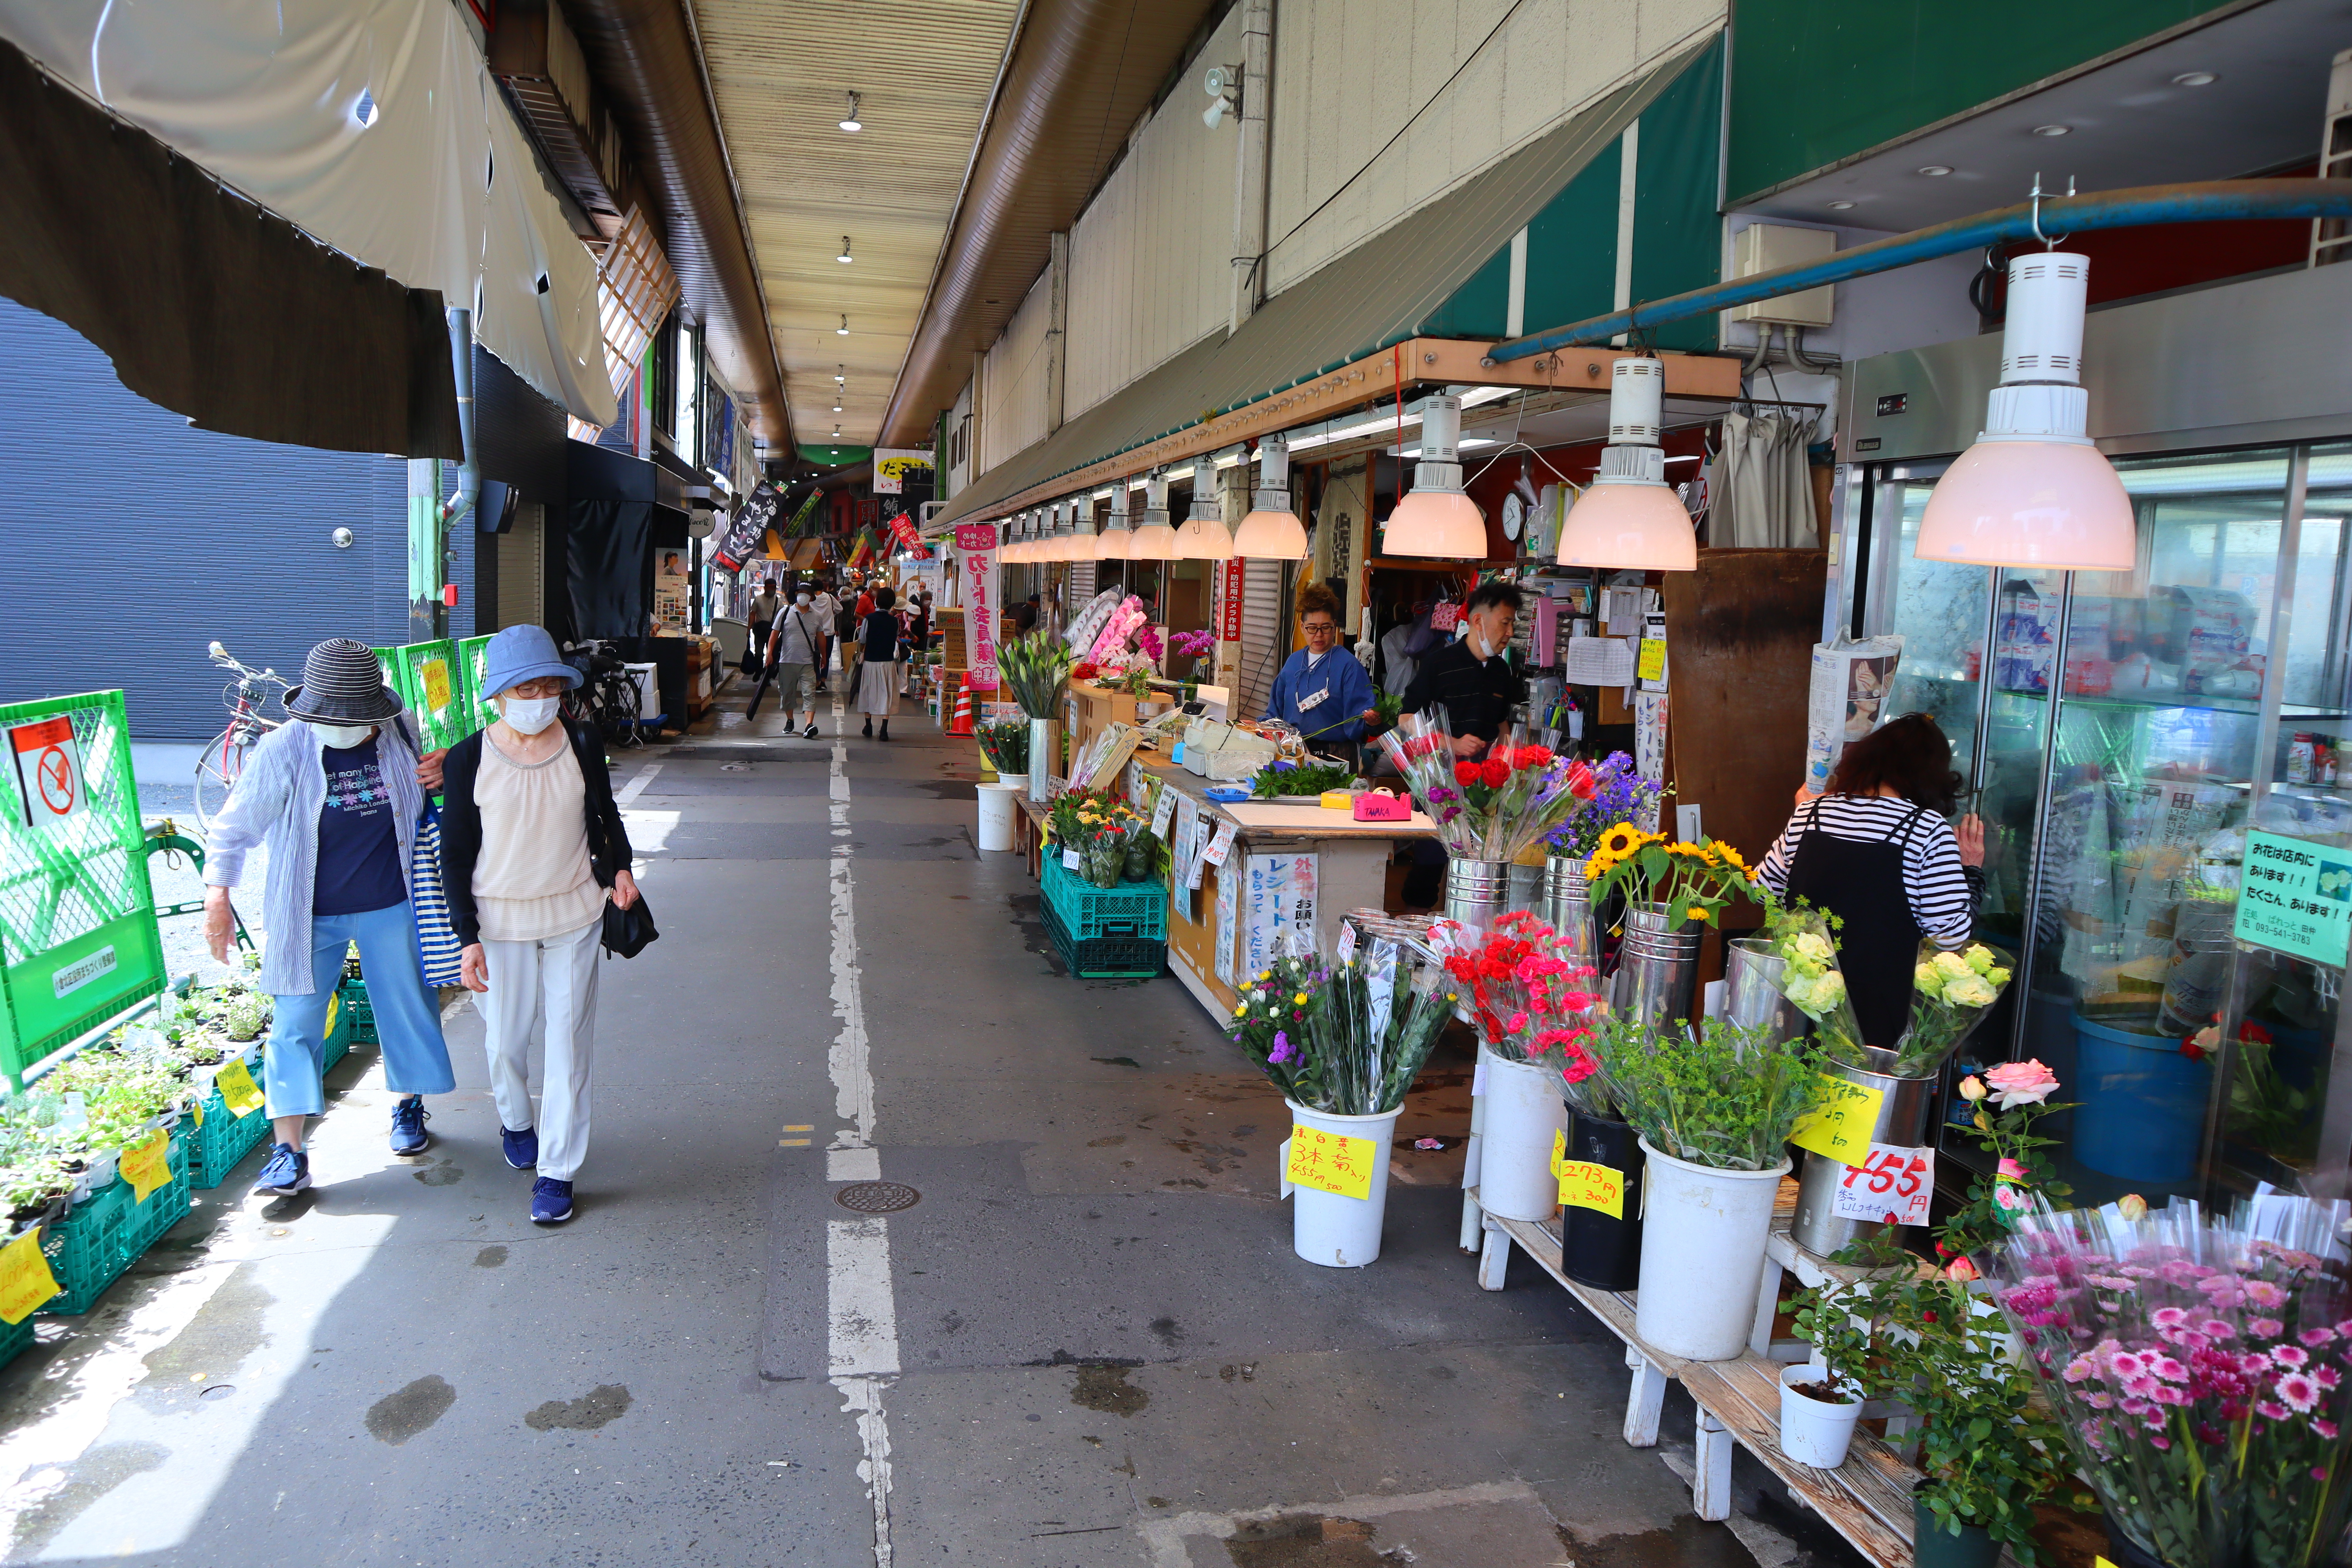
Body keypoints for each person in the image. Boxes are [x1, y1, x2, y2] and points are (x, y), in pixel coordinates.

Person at [201, 639, 457, 1195]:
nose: (343, 727)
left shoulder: (399, 731)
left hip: (393, 900)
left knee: (407, 1009)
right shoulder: (284, 750)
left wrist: (444, 771)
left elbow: (433, 785)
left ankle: (408, 1106)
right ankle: (288, 1151)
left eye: (356, 718)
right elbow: (233, 827)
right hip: (308, 913)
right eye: (328, 717)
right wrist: (217, 896)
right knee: (294, 1024)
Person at [438, 625, 640, 1226]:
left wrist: (622, 869)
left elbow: (605, 815)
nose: (541, 696)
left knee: (569, 1044)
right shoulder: (469, 758)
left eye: (549, 684)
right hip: (500, 922)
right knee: (504, 1042)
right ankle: (517, 1118)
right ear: (500, 694)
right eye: (527, 686)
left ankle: (557, 1170)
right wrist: (466, 935)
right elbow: (453, 852)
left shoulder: (581, 741)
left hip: (576, 912)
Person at [1756, 713, 1987, 1049]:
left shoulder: (1811, 812)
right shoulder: (1927, 829)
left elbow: (1763, 891)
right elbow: (1949, 936)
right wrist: (1972, 874)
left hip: (1799, 997)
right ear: (1931, 775)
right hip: (1876, 1014)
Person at [1401, 581, 1525, 755]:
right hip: (1443, 768)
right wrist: (1451, 743)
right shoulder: (1439, 663)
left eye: (1513, 624)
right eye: (1505, 623)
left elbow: (1500, 722)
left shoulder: (1502, 670)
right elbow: (1406, 718)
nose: (1510, 632)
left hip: (1486, 772)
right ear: (1478, 621)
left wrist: (1508, 758)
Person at [1264, 583, 1376, 757]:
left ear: (1334, 626)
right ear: (1302, 627)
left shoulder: (1348, 665)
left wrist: (1371, 719)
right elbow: (1275, 710)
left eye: (1325, 628)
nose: (1318, 635)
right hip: (1294, 751)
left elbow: (1363, 713)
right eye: (1312, 628)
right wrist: (1263, 727)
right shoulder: (1293, 662)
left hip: (1337, 754)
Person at [764, 587, 828, 738]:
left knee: (810, 694)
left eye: (806, 593)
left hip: (807, 663)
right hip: (786, 661)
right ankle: (790, 720)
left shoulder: (817, 616)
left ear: (812, 597)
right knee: (787, 694)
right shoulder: (785, 613)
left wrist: (824, 657)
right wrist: (769, 653)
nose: (803, 596)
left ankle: (809, 725)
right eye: (800, 593)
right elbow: (774, 633)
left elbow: (821, 638)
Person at [858, 586, 902, 740]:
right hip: (888, 663)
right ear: (892, 604)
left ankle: (868, 726)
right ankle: (884, 730)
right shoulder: (895, 622)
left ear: (876, 602)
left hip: (871, 661)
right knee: (886, 694)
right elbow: (895, 638)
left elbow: (863, 640)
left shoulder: (869, 619)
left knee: (868, 693)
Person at [810, 581, 842, 691]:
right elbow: (840, 609)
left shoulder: (810, 598)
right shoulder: (829, 597)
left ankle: (817, 680)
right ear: (823, 589)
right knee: (826, 657)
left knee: (815, 657)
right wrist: (831, 612)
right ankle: (823, 681)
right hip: (828, 632)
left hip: (814, 633)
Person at [836, 584, 865, 691]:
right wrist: (836, 629)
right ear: (841, 595)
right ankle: (844, 664)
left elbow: (856, 613)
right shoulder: (839, 604)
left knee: (854, 646)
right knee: (843, 646)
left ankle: (853, 662)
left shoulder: (854, 603)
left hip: (853, 628)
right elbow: (836, 617)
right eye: (845, 594)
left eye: (848, 594)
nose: (847, 596)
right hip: (843, 628)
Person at [748, 579, 782, 656]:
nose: (772, 590)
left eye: (774, 588)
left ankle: (769, 668)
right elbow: (753, 614)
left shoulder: (779, 602)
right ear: (765, 588)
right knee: (759, 653)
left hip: (772, 631)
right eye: (770, 587)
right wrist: (749, 628)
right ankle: (759, 667)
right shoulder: (758, 599)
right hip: (760, 631)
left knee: (772, 653)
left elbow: (782, 617)